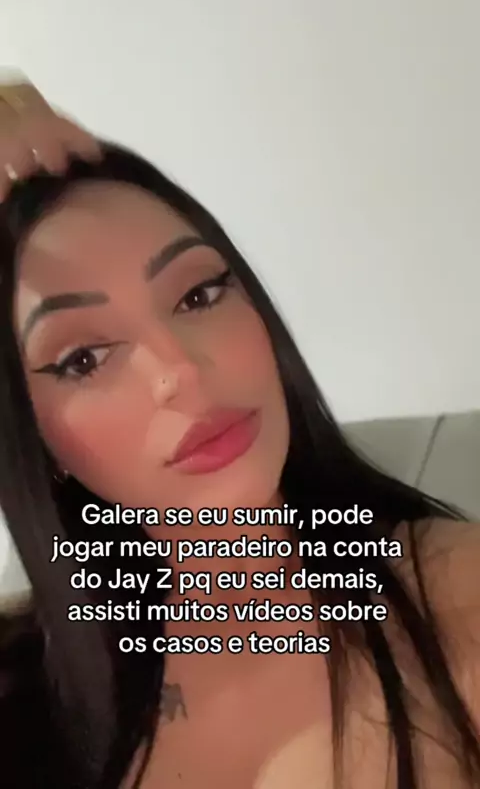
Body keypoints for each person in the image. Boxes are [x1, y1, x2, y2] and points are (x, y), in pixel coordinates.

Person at [0, 79, 478, 789]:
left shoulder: (456, 599)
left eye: (198, 294)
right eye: (84, 359)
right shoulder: (24, 690)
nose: (180, 371)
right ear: (32, 443)